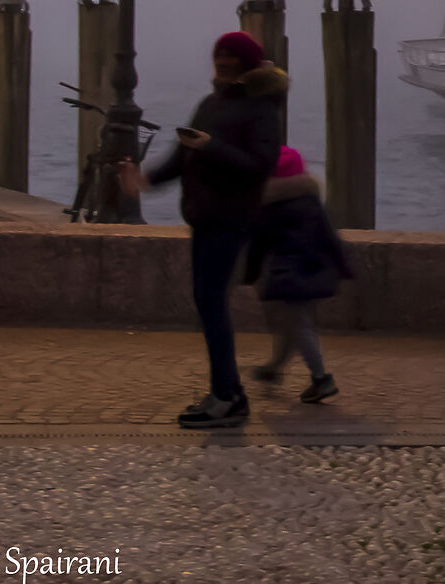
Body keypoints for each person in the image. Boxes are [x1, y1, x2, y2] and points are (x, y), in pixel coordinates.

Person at [118, 30, 286, 429]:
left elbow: (260, 164)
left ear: (247, 64)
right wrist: (145, 180)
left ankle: (227, 398)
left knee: (211, 304)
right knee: (207, 304)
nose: (223, 63)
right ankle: (227, 393)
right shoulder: (210, 104)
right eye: (219, 56)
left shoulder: (261, 108)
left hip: (231, 219)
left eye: (231, 58)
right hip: (204, 218)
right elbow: (182, 157)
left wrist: (212, 146)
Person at [244, 145, 354, 402]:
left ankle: (321, 379)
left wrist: (248, 276)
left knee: (299, 325)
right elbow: (331, 239)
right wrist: (343, 269)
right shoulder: (312, 203)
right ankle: (274, 368)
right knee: (294, 323)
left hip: (289, 276)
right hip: (314, 272)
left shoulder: (270, 207)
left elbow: (258, 246)